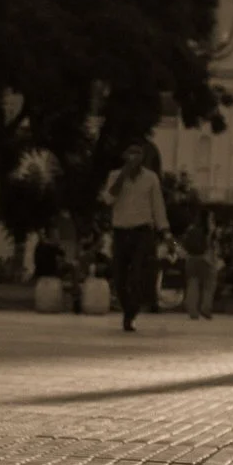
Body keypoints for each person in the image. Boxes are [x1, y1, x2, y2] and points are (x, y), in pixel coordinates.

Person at [99, 142, 169, 333]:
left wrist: (164, 229)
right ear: (125, 156)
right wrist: (123, 175)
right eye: (131, 153)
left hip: (142, 232)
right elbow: (108, 199)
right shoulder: (115, 176)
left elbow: (157, 205)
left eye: (138, 153)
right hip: (121, 231)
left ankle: (132, 313)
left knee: (139, 273)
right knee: (120, 276)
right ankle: (128, 310)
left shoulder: (151, 178)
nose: (134, 157)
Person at [180, 209, 219, 320]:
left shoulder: (191, 229)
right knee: (208, 286)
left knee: (192, 284)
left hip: (191, 259)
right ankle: (206, 307)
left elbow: (183, 244)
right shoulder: (210, 230)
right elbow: (214, 246)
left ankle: (192, 310)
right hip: (206, 259)